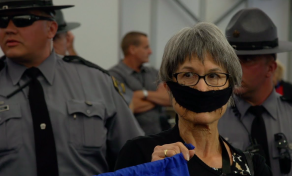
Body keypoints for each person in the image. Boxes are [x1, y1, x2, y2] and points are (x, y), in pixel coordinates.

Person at [0, 0, 144, 175]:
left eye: (23, 20)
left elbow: (136, 157)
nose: (9, 29)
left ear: (51, 29)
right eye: (2, 21)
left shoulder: (96, 81)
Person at [114, 22, 271, 176]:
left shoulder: (254, 167)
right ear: (168, 86)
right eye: (188, 75)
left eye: (214, 76)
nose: (202, 88)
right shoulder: (140, 155)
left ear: (231, 87)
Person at [218, 8, 292, 176]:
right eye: (232, 59)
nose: (235, 69)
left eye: (247, 60)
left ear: (270, 68)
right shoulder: (213, 123)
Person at [109, 32, 171, 135]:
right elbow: (126, 107)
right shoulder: (114, 75)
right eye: (146, 47)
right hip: (133, 140)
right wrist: (158, 98)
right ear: (132, 49)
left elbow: (171, 99)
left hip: (162, 136)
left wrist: (143, 94)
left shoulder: (153, 72)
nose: (150, 52)